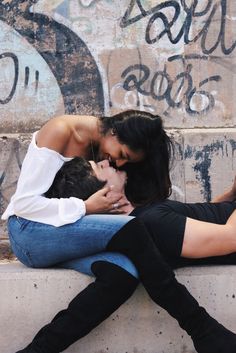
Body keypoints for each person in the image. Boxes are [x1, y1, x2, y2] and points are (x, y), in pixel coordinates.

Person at [2, 111, 236, 353]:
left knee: (123, 272)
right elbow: (23, 204)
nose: (119, 163)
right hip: (29, 231)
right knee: (132, 229)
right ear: (115, 132)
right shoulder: (61, 130)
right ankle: (203, 330)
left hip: (65, 233)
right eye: (122, 155)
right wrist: (85, 206)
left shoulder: (104, 147)